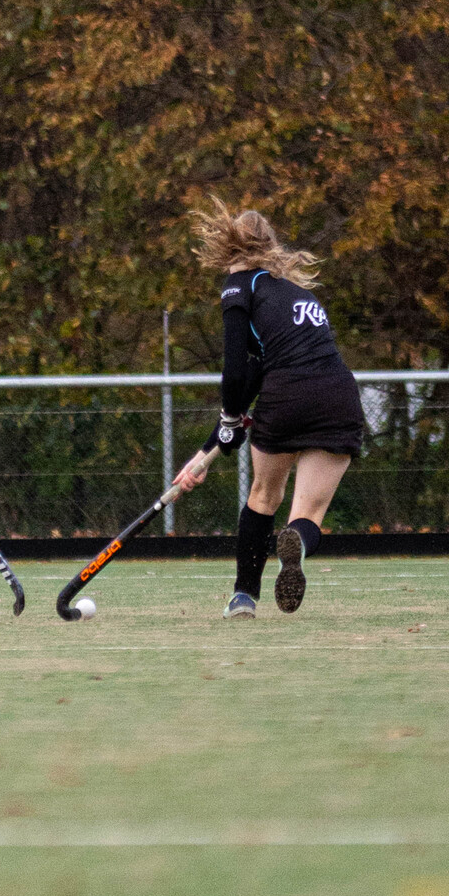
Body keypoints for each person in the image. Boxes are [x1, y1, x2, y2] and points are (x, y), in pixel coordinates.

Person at [173, 201, 365, 617]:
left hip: (287, 396)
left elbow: (236, 369)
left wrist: (227, 421)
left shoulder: (239, 285)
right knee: (308, 513)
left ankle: (244, 597)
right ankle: (294, 542)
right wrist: (208, 449)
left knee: (263, 496)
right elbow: (259, 371)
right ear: (271, 244)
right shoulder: (298, 292)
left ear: (228, 245)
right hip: (339, 395)